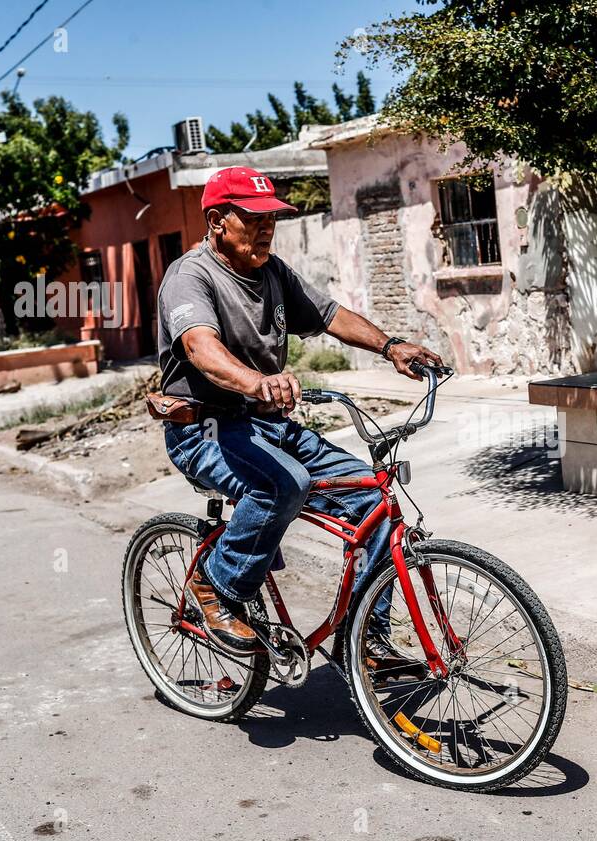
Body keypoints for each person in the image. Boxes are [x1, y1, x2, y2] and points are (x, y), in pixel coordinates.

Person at [157, 165, 442, 651]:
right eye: (253, 217)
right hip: (203, 430)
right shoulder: (190, 277)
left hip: (268, 425)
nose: (267, 227)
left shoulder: (273, 272)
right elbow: (202, 350)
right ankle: (215, 587)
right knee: (284, 483)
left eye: (272, 218)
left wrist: (390, 346)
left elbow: (329, 314)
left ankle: (364, 644)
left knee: (372, 503)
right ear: (217, 221)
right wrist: (258, 382)